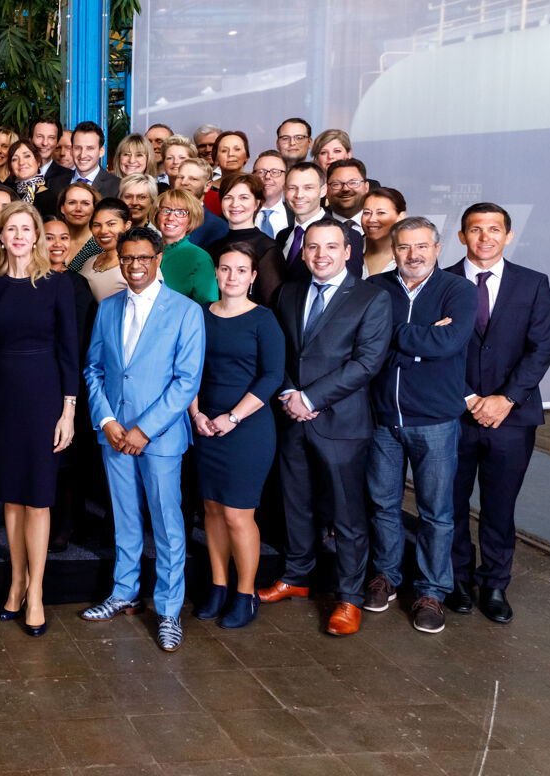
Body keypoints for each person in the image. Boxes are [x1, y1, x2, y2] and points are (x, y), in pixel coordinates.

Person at [258, 219, 391, 637]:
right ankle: (297, 575)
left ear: (348, 251)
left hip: (341, 423)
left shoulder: (372, 298)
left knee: (348, 516)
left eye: (331, 247)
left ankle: (349, 598)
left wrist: (310, 399)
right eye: (313, 247)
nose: (321, 255)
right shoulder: (289, 292)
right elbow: (277, 350)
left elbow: (367, 363)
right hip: (291, 417)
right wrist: (288, 395)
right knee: (295, 503)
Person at [81, 226, 205, 652]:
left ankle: (169, 610)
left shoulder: (186, 311)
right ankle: (123, 591)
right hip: (114, 434)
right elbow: (94, 369)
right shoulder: (108, 306)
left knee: (168, 525)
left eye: (143, 258)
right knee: (125, 518)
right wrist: (107, 420)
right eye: (128, 258)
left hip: (161, 437)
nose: (134, 266)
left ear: (158, 260)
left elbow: (186, 382)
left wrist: (144, 429)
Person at [445, 203, 550, 624]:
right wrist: (469, 398)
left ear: (508, 236)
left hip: (513, 417)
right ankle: (456, 578)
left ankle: (493, 583)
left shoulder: (532, 284)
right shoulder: (443, 282)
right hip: (454, 414)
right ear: (461, 236)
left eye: (494, 229)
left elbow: (540, 348)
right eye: (475, 229)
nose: (485, 237)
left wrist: (505, 399)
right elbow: (433, 350)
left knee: (499, 506)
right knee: (449, 504)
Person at [365, 217, 475, 634]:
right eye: (405, 247)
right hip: (382, 419)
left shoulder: (458, 290)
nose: (413, 255)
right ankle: (386, 577)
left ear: (437, 248)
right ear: (393, 250)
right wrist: (417, 340)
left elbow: (449, 342)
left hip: (435, 422)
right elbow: (366, 344)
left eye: (422, 247)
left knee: (436, 513)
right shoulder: (376, 289)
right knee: (383, 505)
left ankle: (430, 590)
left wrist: (393, 339)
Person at [0, 203, 77, 636]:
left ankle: (36, 591)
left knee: (38, 498)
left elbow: (70, 350)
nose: (18, 235)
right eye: (10, 228)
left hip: (44, 396)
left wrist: (68, 410)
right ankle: (16, 581)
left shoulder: (57, 284)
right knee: (12, 496)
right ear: (0, 236)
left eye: (25, 228)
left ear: (37, 236)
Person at [187, 242, 284, 630]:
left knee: (237, 513)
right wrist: (196, 414)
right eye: (225, 269)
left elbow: (272, 377)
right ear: (216, 273)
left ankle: (245, 593)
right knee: (211, 510)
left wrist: (232, 417)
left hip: (248, 428)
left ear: (253, 277)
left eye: (240, 270)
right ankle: (218, 584)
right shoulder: (199, 317)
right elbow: (187, 368)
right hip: (205, 424)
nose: (231, 277)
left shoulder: (264, 320)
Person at [274, 162, 363, 282]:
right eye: (292, 188)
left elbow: (349, 290)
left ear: (323, 190)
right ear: (284, 191)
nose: (299, 195)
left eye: (308, 188)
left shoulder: (347, 234)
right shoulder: (282, 236)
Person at [207, 173, 283, 305]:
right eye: (228, 197)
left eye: (244, 198)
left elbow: (270, 306)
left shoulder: (268, 248)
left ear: (256, 204)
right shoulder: (213, 246)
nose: (235, 204)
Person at [153, 188, 217, 304]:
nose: (171, 217)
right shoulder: (147, 251)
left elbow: (208, 307)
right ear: (157, 215)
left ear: (191, 219)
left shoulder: (199, 258)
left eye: (181, 212)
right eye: (166, 210)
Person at [79, 198, 131, 301]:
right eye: (97, 225)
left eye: (111, 224)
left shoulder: (138, 264)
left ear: (127, 226)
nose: (103, 231)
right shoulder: (90, 261)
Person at [174, 158, 229, 246]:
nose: (184, 182)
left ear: (207, 186)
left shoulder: (218, 227)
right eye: (180, 177)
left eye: (193, 179)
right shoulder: (161, 216)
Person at [64, 121, 119, 199]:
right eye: (78, 148)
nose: (82, 155)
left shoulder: (117, 186)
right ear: (71, 150)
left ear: (101, 151)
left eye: (90, 148)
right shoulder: (56, 182)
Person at [360, 187, 406, 277]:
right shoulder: (348, 248)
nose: (371, 219)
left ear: (400, 217)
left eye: (381, 213)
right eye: (366, 212)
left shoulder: (413, 255)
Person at [324, 158, 369, 240]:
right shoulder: (314, 226)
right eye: (336, 184)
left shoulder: (381, 225)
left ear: (366, 187)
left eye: (353, 182)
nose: (345, 189)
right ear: (326, 190)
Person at [250, 151, 292, 239]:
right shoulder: (238, 211)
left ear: (286, 178)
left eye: (275, 172)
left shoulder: (296, 214)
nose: (267, 176)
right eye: (261, 172)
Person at [7, 139, 46, 204]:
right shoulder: (6, 194)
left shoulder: (49, 197)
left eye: (27, 156)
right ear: (11, 168)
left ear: (38, 161)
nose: (21, 162)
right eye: (14, 159)